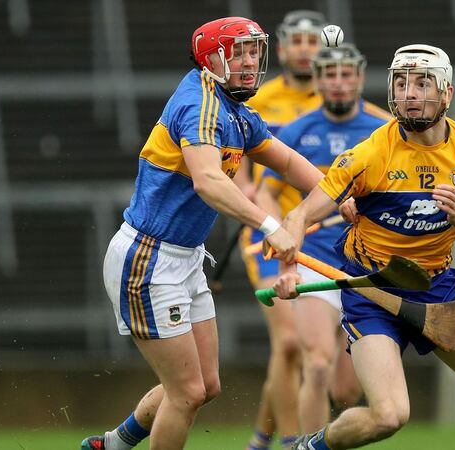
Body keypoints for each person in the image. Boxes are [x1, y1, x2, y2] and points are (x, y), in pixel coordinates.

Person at [273, 44, 455, 450]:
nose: (410, 93)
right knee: (389, 416)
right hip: (372, 291)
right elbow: (299, 217)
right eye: (401, 83)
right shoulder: (369, 155)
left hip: (437, 288)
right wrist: (288, 265)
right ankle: (309, 446)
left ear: (447, 93)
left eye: (422, 83)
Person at [79, 16, 324, 450]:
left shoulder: (235, 110)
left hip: (185, 257)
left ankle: (112, 445)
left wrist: (340, 197)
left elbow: (287, 162)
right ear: (211, 60)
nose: (250, 62)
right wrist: (271, 226)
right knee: (187, 392)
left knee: (205, 385)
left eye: (254, 52)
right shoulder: (200, 105)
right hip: (149, 259)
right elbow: (208, 181)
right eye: (238, 53)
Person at [258, 43, 392, 434]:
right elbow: (267, 191)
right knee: (316, 363)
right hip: (315, 259)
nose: (338, 83)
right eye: (329, 75)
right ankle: (303, 444)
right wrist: (278, 233)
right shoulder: (298, 130)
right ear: (317, 80)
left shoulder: (384, 130)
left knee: (347, 390)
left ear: (360, 78)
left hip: (363, 264)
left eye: (346, 74)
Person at [236, 10, 328, 450]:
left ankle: (260, 439)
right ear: (283, 47)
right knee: (289, 342)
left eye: (313, 42)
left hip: (322, 235)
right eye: (297, 42)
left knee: (308, 351)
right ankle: (293, 441)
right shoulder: (260, 98)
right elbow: (236, 158)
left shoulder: (332, 100)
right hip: (267, 231)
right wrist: (245, 196)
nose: (305, 50)